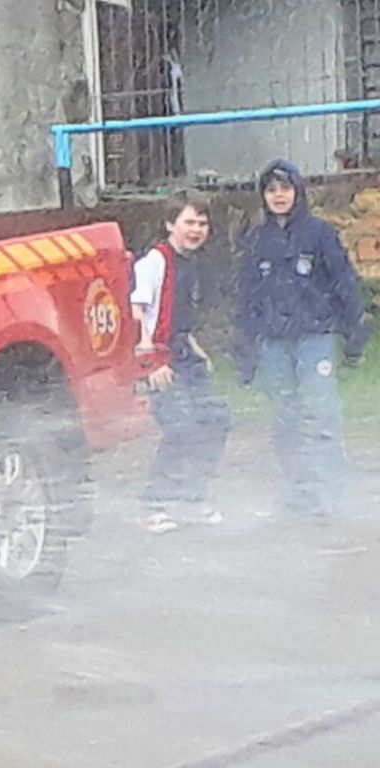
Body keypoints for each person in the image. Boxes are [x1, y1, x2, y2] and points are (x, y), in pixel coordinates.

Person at [235, 160, 368, 518]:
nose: (279, 196)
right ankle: (299, 494)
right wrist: (244, 352)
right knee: (285, 417)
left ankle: (331, 495)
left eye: (285, 188)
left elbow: (344, 282)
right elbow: (247, 297)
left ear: (298, 192)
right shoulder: (256, 240)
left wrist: (353, 333)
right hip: (274, 344)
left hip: (315, 337)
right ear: (263, 195)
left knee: (322, 411)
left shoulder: (320, 234)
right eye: (271, 190)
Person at [132, 192, 231, 534]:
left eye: (202, 224)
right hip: (157, 358)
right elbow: (138, 315)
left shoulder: (193, 262)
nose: (196, 230)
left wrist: (193, 345)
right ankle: (153, 503)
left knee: (216, 420)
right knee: (180, 427)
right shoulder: (154, 262)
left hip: (184, 355)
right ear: (170, 224)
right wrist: (152, 362)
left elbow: (176, 316)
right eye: (189, 222)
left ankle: (193, 498)